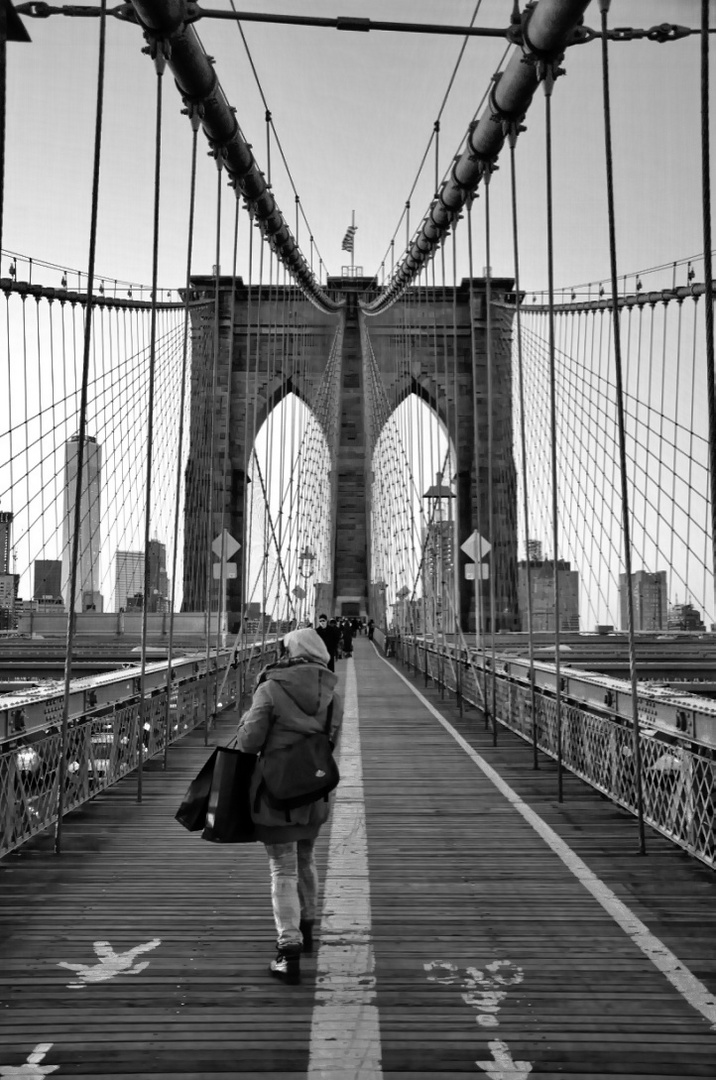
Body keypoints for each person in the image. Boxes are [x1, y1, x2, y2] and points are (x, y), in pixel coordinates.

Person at [235, 628, 343, 985]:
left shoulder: (271, 688)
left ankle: (289, 949)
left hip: (276, 795)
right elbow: (330, 742)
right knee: (306, 858)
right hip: (313, 792)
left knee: (282, 869)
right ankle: (307, 925)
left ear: (291, 650)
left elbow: (249, 743)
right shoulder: (332, 694)